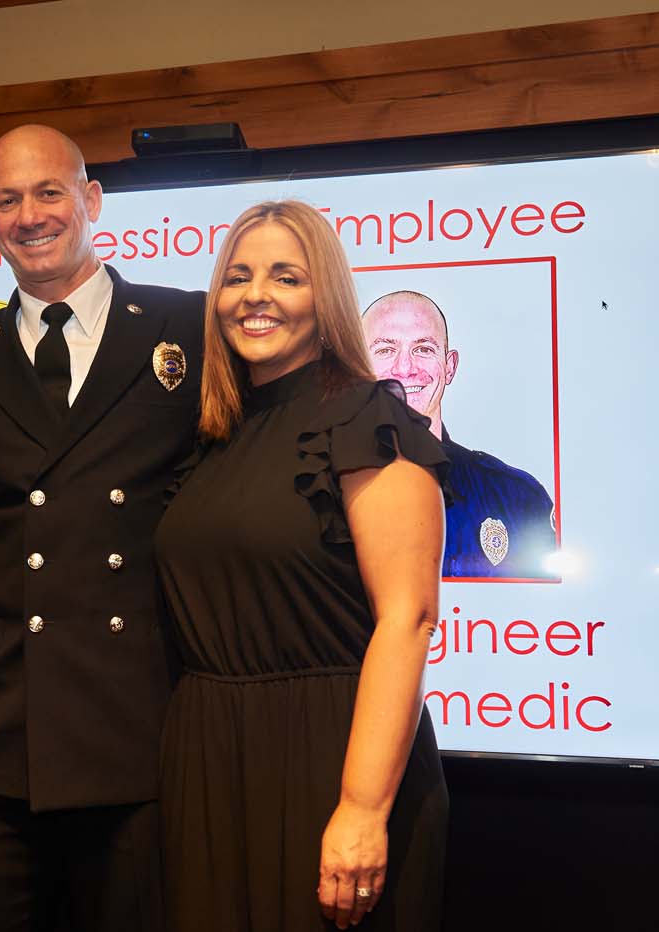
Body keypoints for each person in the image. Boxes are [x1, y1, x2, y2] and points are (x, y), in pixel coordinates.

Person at [0, 124, 204, 931]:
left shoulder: (188, 329)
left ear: (91, 199)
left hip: (134, 737)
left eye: (49, 191)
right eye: (7, 199)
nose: (30, 215)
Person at [155, 201, 449, 931]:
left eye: (287, 276)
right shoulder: (213, 436)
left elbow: (407, 621)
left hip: (330, 758)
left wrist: (361, 807)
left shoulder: (366, 417)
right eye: (239, 276)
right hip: (210, 760)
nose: (256, 295)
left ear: (326, 299)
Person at [361, 290, 556, 577]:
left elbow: (553, 614)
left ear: (450, 367)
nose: (405, 368)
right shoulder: (305, 497)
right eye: (386, 350)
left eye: (423, 349)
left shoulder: (516, 498)